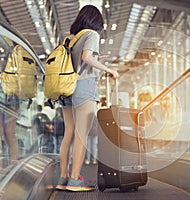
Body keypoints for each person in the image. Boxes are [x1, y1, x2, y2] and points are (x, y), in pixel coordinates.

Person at [56, 5, 119, 192]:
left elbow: (78, 59)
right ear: (95, 22)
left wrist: (97, 58)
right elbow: (86, 57)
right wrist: (108, 69)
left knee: (69, 133)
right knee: (81, 135)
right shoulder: (92, 34)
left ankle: (63, 177)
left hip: (65, 88)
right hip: (83, 87)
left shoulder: (69, 38)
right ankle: (75, 180)